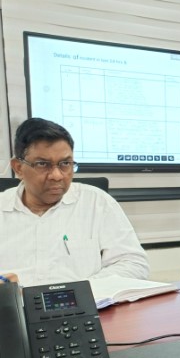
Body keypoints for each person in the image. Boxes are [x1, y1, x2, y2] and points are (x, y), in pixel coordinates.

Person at [0, 118, 149, 287]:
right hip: (14, 303)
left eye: (65, 163)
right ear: (18, 168)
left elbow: (134, 263)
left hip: (85, 301)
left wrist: (80, 291)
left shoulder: (96, 202)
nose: (57, 175)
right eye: (42, 164)